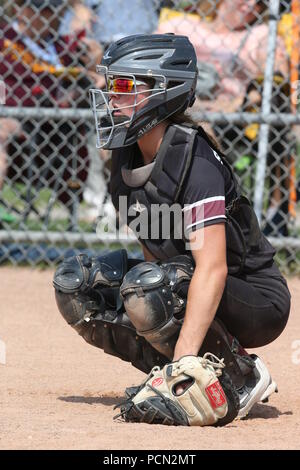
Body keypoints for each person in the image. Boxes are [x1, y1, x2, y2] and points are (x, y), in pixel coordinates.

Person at [53, 34, 291, 426]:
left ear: (164, 92)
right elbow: (155, 251)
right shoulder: (125, 158)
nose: (110, 95)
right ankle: (197, 371)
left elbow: (213, 268)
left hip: (254, 295)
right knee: (79, 285)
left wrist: (179, 361)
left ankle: (238, 376)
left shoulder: (194, 160)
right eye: (110, 83)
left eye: (125, 85)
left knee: (155, 286)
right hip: (186, 277)